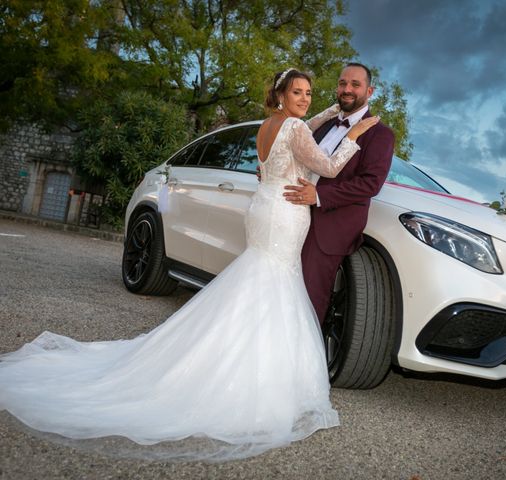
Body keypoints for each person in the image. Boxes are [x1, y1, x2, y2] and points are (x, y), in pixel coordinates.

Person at [0, 68, 378, 462]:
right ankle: (254, 375)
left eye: (309, 93)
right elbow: (330, 169)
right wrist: (352, 135)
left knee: (258, 279)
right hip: (284, 213)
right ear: (282, 94)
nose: (305, 98)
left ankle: (233, 355)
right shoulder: (297, 128)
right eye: (298, 92)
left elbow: (301, 129)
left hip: (265, 207)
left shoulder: (270, 125)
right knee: (273, 284)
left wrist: (331, 111)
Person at [283, 63, 395, 325]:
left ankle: (301, 360)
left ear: (369, 91)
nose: (347, 89)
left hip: (330, 225)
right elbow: (303, 162)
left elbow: (370, 184)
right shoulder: (323, 126)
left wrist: (319, 196)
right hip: (293, 216)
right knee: (283, 286)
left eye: (355, 85)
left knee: (310, 297)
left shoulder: (381, 135)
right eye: (343, 83)